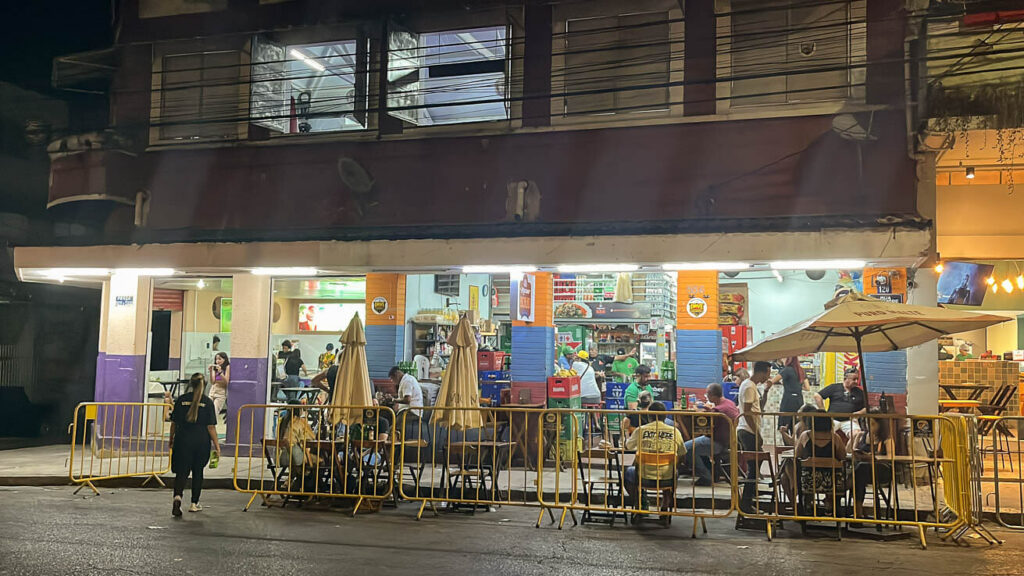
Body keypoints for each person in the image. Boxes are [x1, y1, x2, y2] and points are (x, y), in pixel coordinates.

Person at [169, 373, 220, 517]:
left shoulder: (181, 400)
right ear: (204, 385)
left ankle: (177, 497)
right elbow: (211, 427)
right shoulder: (207, 402)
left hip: (182, 440)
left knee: (182, 472)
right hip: (201, 441)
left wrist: (171, 439)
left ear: (191, 384)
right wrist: (217, 445)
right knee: (198, 472)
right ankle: (194, 503)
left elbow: (174, 423)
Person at [623, 401, 686, 507]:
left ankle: (640, 503)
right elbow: (682, 454)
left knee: (628, 473)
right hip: (667, 478)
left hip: (642, 476)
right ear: (665, 416)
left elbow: (628, 446)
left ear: (649, 416)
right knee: (673, 472)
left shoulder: (641, 430)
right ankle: (665, 504)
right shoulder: (675, 432)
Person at [684, 382, 739, 486]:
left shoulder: (718, 410)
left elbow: (708, 429)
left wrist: (703, 413)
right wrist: (711, 410)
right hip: (728, 441)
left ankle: (706, 476)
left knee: (686, 448)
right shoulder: (729, 403)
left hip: (717, 442)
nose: (707, 396)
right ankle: (711, 471)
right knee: (695, 446)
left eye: (707, 394)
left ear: (712, 396)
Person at [737, 361, 771, 512]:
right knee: (753, 468)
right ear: (761, 372)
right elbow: (747, 412)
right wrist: (756, 433)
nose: (768, 377)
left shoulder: (752, 386)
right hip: (748, 431)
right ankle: (746, 503)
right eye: (768, 374)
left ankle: (747, 501)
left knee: (754, 467)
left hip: (748, 430)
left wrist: (766, 391)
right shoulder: (749, 386)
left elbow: (759, 408)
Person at [849, 408, 894, 518]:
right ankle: (859, 510)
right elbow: (848, 452)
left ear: (880, 424)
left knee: (858, 471)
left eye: (873, 423)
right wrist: (853, 440)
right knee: (859, 471)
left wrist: (873, 458)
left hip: (880, 470)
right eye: (867, 423)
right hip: (861, 470)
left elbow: (890, 458)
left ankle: (857, 509)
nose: (869, 426)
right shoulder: (862, 436)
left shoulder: (887, 439)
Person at [815, 368, 866, 435]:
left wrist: (860, 412)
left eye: (857, 379)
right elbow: (817, 396)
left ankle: (848, 446)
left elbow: (867, 407)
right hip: (833, 420)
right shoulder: (834, 387)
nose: (856, 381)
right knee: (823, 434)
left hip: (849, 421)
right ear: (845, 379)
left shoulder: (859, 392)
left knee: (857, 435)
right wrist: (823, 412)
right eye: (854, 379)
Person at [770, 357, 810, 433]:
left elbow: (773, 381)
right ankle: (795, 444)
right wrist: (797, 386)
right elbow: (807, 388)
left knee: (784, 426)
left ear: (788, 360)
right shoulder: (801, 370)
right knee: (796, 425)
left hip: (788, 400)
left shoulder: (787, 370)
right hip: (799, 400)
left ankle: (787, 444)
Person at [207, 352, 230, 420]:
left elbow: (226, 382)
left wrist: (220, 373)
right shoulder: (215, 367)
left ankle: (212, 427)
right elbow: (213, 382)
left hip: (221, 393)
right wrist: (211, 371)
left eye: (220, 359)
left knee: (215, 411)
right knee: (208, 410)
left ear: (224, 359)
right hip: (213, 391)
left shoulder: (227, 367)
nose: (217, 361)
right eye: (216, 359)